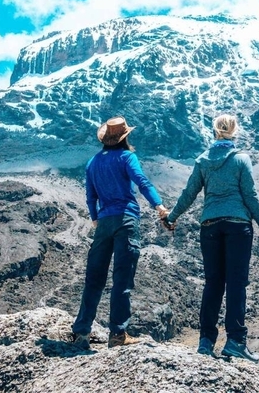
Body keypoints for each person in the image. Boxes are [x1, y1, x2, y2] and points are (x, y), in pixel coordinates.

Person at [161, 114, 259, 363]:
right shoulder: (241, 159)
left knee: (213, 284)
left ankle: (205, 342)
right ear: (234, 132)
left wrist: (172, 216)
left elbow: (189, 193)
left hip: (209, 226)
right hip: (237, 226)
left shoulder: (202, 161)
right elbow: (250, 195)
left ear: (214, 131)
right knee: (235, 284)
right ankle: (235, 342)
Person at [71, 116, 169, 350]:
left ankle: (81, 333)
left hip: (104, 222)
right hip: (125, 219)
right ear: (125, 137)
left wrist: (95, 218)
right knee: (122, 280)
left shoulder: (93, 163)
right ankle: (117, 334)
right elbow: (142, 182)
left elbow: (90, 195)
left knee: (94, 279)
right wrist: (159, 206)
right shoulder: (127, 157)